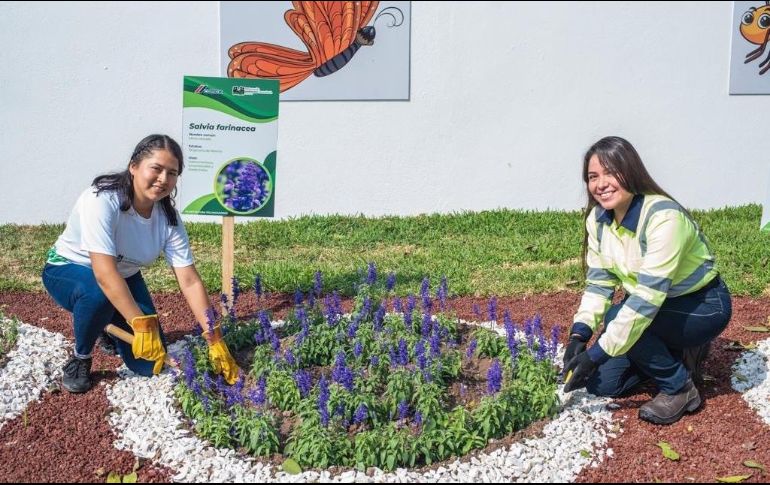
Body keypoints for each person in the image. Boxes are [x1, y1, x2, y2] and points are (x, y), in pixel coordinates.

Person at [42, 134, 241, 393]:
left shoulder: (168, 219)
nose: (163, 179)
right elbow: (103, 273)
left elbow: (190, 281)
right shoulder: (101, 200)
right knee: (98, 296)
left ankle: (101, 321)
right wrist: (139, 323)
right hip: (69, 270)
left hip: (121, 276)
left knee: (147, 364)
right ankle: (81, 357)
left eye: (172, 173)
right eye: (156, 169)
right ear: (134, 166)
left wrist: (214, 338)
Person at [562, 136, 732, 425]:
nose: (600, 184)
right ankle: (672, 351)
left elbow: (645, 300)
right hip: (654, 307)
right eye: (592, 177)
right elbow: (599, 284)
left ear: (631, 171)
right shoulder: (598, 220)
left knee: (620, 317)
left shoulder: (664, 218)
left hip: (701, 306)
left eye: (610, 172)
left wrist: (597, 354)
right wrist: (579, 335)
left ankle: (679, 388)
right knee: (602, 385)